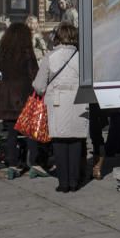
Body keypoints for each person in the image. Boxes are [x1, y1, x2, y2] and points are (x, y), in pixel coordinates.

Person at [33, 23, 85, 192]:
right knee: (77, 140)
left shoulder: (50, 56)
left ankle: (63, 183)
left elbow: (39, 85)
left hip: (57, 101)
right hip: (79, 100)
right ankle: (74, 181)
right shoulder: (82, 57)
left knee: (60, 141)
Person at [0, 23, 39, 178]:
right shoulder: (26, 52)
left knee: (12, 132)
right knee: (30, 132)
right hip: (24, 93)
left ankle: (12, 165)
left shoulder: (3, 51)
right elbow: (34, 73)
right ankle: (33, 164)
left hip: (6, 94)